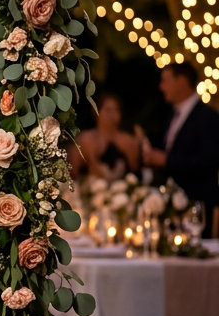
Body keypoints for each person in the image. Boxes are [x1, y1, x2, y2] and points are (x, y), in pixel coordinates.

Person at [141, 63, 219, 234]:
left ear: (182, 81)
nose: (161, 87)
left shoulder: (208, 117)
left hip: (197, 210)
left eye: (165, 81)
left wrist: (166, 160)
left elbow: (209, 161)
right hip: (173, 211)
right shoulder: (172, 116)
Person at [69, 93, 140, 181]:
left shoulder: (128, 140)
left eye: (116, 110)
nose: (112, 115)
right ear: (96, 111)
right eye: (108, 110)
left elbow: (136, 171)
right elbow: (73, 172)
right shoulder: (86, 139)